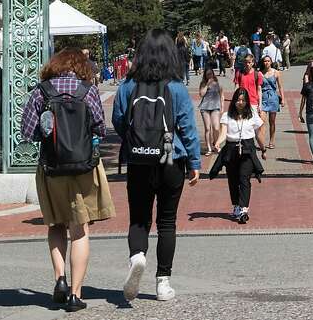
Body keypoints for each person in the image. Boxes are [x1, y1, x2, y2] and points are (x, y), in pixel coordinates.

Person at [19, 48, 115, 311]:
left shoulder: (42, 91)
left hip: (51, 167)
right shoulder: (88, 90)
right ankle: (75, 294)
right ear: (81, 66)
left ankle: (60, 278)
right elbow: (99, 126)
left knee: (55, 225)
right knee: (80, 229)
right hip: (83, 167)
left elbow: (27, 132)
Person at [111, 30, 201, 302]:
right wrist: (195, 162)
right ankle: (163, 282)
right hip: (171, 158)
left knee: (138, 218)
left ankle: (137, 256)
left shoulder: (128, 86)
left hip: (139, 158)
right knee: (167, 221)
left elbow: (118, 121)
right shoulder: (176, 87)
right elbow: (187, 127)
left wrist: (134, 139)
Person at [212, 87, 267, 223]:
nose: (240, 103)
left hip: (247, 149)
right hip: (231, 150)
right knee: (233, 179)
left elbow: (259, 133)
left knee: (244, 178)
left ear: (247, 101)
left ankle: (244, 208)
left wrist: (263, 148)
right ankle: (236, 205)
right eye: (238, 100)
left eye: (243, 100)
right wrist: (218, 142)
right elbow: (223, 133)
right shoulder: (227, 115)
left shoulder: (252, 114)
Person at [257, 55, 283, 150]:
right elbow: (258, 88)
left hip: (273, 98)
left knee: (272, 122)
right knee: (261, 121)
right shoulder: (260, 73)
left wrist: (283, 99)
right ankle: (262, 142)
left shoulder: (276, 73)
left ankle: (271, 141)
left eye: (268, 61)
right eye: (265, 61)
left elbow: (280, 86)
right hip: (263, 98)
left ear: (271, 62)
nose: (266, 63)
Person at [197, 68, 223, 156]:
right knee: (207, 128)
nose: (209, 76)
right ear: (205, 75)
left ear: (213, 74)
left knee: (216, 127)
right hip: (205, 107)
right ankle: (209, 148)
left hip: (215, 106)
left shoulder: (217, 84)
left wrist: (222, 106)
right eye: (208, 74)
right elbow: (201, 94)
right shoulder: (203, 84)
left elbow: (221, 95)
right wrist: (207, 85)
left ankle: (216, 144)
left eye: (211, 74)